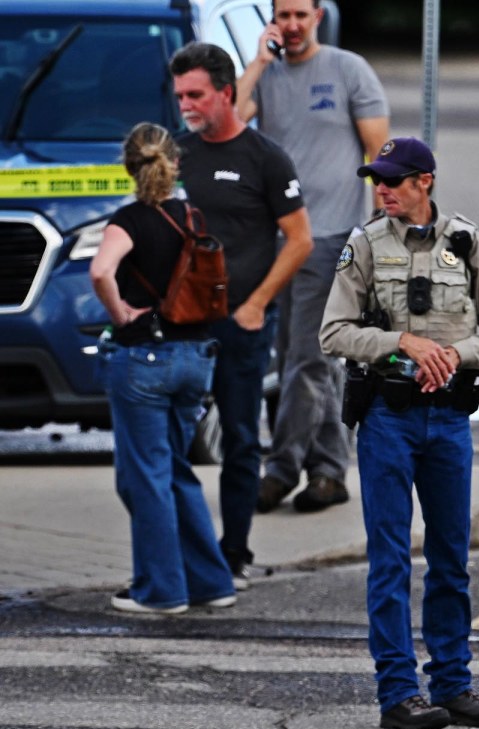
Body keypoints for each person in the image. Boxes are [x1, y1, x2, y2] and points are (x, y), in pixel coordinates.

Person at [319, 137, 479, 729]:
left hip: (450, 418)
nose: (381, 189)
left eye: (393, 179)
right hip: (388, 417)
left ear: (424, 182)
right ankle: (398, 692)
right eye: (376, 180)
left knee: (451, 557)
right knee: (389, 560)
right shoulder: (364, 245)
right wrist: (400, 343)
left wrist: (454, 355)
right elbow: (332, 332)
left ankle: (453, 684)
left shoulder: (466, 242)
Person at [236, 0, 390, 515]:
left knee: (307, 358)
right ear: (272, 21)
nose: (293, 25)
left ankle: (280, 468)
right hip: (276, 239)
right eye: (284, 15)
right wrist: (257, 63)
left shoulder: (348, 70)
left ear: (318, 17)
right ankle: (327, 470)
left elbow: (380, 155)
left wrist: (376, 238)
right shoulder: (266, 74)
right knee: (303, 359)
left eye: (302, 14)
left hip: (330, 239)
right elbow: (231, 122)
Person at [171, 42, 313, 588]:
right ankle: (183, 553)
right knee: (173, 439)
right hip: (183, 324)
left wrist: (257, 305)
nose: (185, 104)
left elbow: (299, 240)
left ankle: (234, 554)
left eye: (196, 94)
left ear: (226, 93)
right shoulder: (176, 155)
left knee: (239, 437)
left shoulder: (264, 157)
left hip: (242, 322)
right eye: (180, 94)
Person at [87, 123, 238, 615]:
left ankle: (161, 591)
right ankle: (211, 582)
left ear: (130, 167)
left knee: (145, 476)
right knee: (176, 469)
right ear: (173, 163)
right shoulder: (190, 216)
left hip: (144, 360)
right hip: (196, 358)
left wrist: (120, 314)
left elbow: (101, 271)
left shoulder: (127, 220)